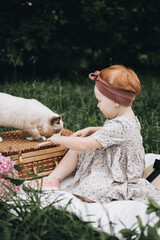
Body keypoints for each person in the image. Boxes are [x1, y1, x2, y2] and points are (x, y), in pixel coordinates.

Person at [27, 65, 160, 204]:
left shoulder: (121, 125)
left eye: (100, 101)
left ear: (116, 101)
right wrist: (91, 128)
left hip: (120, 173)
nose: (97, 105)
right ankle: (52, 180)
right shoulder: (128, 118)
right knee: (76, 149)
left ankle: (109, 190)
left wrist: (59, 139)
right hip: (114, 159)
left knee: (87, 188)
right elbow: (112, 132)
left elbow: (84, 144)